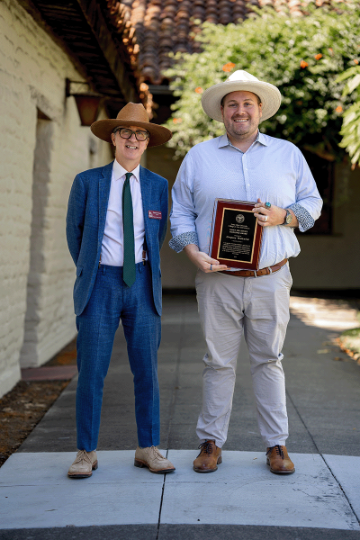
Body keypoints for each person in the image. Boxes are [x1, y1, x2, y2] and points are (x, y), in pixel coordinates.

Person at [169, 70, 322, 475]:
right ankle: (211, 442)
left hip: (271, 277)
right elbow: (180, 211)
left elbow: (313, 201)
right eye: (232, 104)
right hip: (216, 278)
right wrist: (192, 252)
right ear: (222, 111)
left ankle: (276, 445)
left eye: (247, 104)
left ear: (260, 111)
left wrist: (284, 215)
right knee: (217, 362)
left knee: (269, 359)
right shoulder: (198, 156)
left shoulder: (287, 154)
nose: (240, 111)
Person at [66, 102, 175, 478]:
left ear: (147, 142)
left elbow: (157, 236)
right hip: (99, 285)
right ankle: (86, 452)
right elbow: (74, 234)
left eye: (140, 133)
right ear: (113, 138)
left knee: (146, 370)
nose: (133, 138)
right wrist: (91, 271)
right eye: (125, 132)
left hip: (143, 284)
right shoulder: (87, 182)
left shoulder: (158, 187)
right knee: (91, 371)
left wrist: (139, 267)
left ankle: (147, 447)